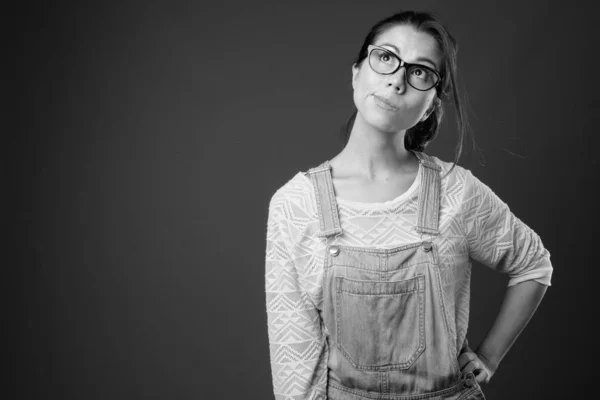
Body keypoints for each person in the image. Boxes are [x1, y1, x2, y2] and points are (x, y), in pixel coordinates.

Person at [264, 10, 552, 400]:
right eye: (385, 57)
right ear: (356, 72)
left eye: (420, 72)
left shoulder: (456, 190)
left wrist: (490, 355)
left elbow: (533, 264)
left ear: (432, 103)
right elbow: (293, 365)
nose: (397, 79)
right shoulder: (295, 204)